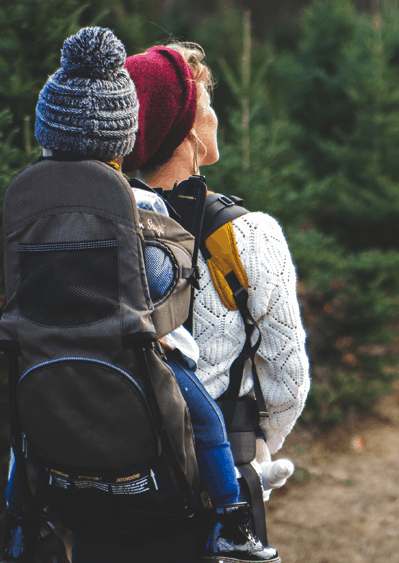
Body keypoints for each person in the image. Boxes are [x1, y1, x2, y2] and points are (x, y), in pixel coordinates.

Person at [0, 27, 282, 563]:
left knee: (25, 431)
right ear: (120, 135)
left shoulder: (30, 199)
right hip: (131, 348)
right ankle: (232, 522)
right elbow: (155, 280)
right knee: (204, 416)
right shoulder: (132, 203)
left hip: (40, 348)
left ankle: (17, 526)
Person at [122, 39, 310, 551]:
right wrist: (257, 449)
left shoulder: (105, 224)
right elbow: (288, 380)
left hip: (118, 471)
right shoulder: (248, 236)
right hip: (216, 474)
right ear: (185, 131)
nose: (215, 117)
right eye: (207, 105)